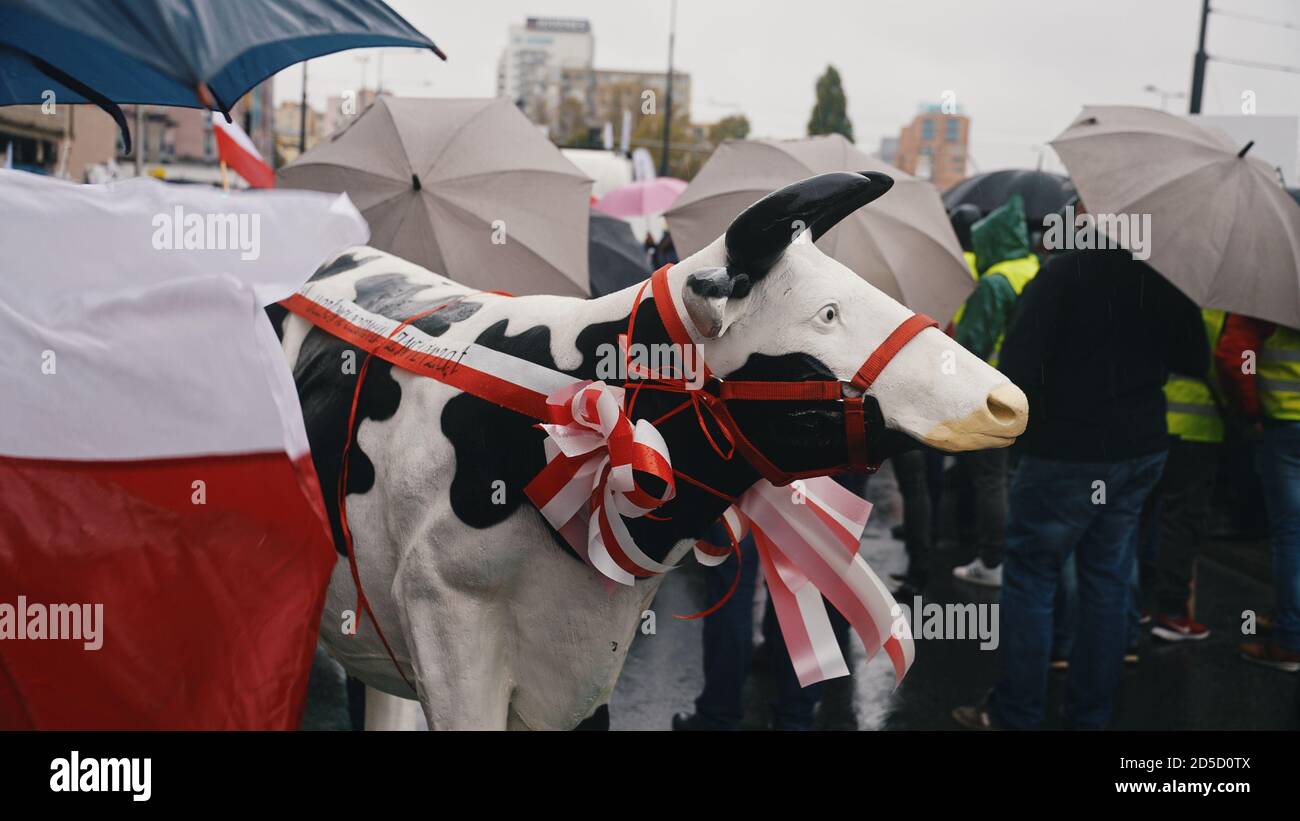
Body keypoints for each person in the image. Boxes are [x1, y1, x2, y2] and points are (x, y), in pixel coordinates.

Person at [953, 240, 1207, 730]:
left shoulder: (1063, 274)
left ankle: (1016, 713)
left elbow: (1020, 368)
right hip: (1139, 449)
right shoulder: (1166, 278)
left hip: (1066, 453)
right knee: (1108, 579)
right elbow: (1196, 359)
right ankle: (1091, 714)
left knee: (1031, 577)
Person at [950, 195, 1040, 588]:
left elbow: (970, 346)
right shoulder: (1033, 268)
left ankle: (992, 559)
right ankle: (1016, 554)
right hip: (1030, 391)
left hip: (993, 394)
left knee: (991, 479)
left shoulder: (995, 282)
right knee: (1017, 478)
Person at [1214, 313, 1300, 672]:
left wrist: (1250, 413)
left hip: (1284, 428)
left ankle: (1290, 640)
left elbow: (1234, 356)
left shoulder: (1266, 289)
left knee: (1291, 535)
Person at [1148, 309, 1227, 642]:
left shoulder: (1169, 302)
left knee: (1147, 516)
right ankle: (1173, 612)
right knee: (1182, 521)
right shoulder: (1219, 315)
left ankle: (1136, 605)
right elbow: (1225, 368)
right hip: (1199, 429)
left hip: (1159, 421)